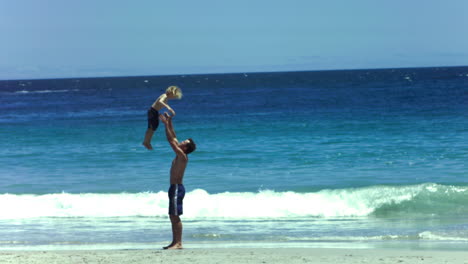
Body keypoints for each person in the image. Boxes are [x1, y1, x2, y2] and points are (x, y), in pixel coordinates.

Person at [159, 112, 196, 250]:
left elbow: (171, 140)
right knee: (172, 216)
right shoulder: (180, 155)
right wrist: (168, 123)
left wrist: (165, 125)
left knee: (175, 216)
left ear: (185, 148)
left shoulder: (182, 156)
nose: (180, 142)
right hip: (173, 188)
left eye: (183, 143)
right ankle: (174, 242)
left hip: (176, 188)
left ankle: (178, 243)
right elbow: (173, 137)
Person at [142, 86, 183, 150]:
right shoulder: (164, 95)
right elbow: (160, 101)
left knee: (154, 127)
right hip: (152, 111)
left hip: (155, 112)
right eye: (174, 95)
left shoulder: (166, 98)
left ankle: (147, 141)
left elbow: (161, 104)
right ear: (171, 93)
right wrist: (168, 107)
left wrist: (170, 113)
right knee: (151, 127)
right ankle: (146, 142)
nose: (174, 97)